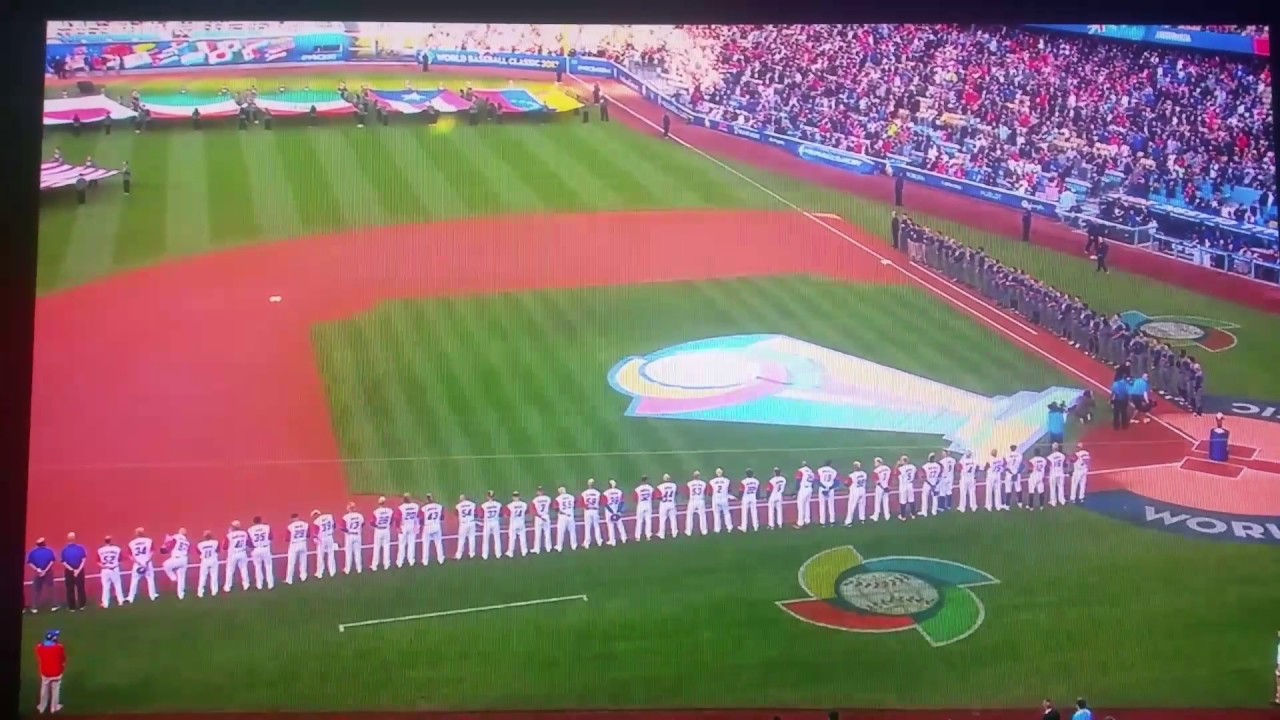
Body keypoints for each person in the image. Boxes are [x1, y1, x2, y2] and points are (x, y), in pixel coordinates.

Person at [35, 630, 66, 715]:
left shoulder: (39, 647)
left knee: (44, 690)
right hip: (57, 673)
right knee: (55, 690)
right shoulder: (59, 647)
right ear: (54, 638)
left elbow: (40, 653)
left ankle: (42, 707)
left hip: (45, 672)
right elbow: (63, 659)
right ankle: (54, 708)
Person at [126, 528, 158, 603]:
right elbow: (152, 552)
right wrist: (146, 561)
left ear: (136, 534)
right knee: (150, 580)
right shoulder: (149, 541)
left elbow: (130, 556)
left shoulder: (131, 543)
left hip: (137, 564)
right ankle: (152, 596)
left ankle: (131, 598)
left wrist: (138, 562)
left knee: (134, 580)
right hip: (147, 563)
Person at [27, 538, 58, 613]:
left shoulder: (33, 552)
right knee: (51, 589)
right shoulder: (49, 551)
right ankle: (53, 606)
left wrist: (38, 569)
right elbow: (52, 561)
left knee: (36, 590)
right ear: (44, 543)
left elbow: (30, 563)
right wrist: (45, 570)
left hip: (37, 573)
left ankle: (34, 607)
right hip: (48, 572)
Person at [160, 528, 191, 600]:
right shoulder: (187, 541)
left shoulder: (176, 536)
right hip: (184, 559)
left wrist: (165, 544)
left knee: (165, 565)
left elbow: (168, 545)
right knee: (181, 578)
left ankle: (173, 578)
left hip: (176, 558)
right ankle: (181, 595)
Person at [60, 533, 87, 612]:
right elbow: (83, 560)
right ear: (75, 539)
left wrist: (72, 570)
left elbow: (64, 562)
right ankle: (82, 605)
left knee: (70, 589)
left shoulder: (65, 550)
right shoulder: (80, 549)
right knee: (81, 588)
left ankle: (72, 607)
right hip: (80, 571)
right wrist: (78, 570)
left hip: (69, 572)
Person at [97, 536, 125, 608]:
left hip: (105, 570)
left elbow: (98, 562)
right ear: (111, 541)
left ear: (105, 541)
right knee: (117, 585)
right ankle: (120, 601)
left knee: (106, 586)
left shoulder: (100, 550)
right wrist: (114, 565)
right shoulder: (117, 549)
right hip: (114, 569)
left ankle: (105, 603)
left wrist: (104, 566)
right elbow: (120, 560)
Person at [247, 517, 274, 590]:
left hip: (256, 549)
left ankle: (259, 585)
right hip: (265, 548)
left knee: (257, 567)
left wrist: (251, 549)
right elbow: (271, 537)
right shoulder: (267, 527)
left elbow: (249, 542)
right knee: (268, 566)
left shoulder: (250, 529)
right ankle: (270, 584)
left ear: (254, 521)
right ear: (261, 521)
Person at [283, 514, 309, 584]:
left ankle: (289, 579)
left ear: (292, 519)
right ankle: (303, 577)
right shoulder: (305, 524)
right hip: (303, 543)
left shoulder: (290, 527)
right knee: (303, 561)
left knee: (291, 563)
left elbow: (287, 539)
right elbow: (308, 535)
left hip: (294, 545)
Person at [311, 509, 337, 578]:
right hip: (330, 537)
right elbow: (334, 526)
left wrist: (315, 539)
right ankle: (332, 572)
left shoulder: (316, 521)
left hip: (321, 539)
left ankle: (320, 573)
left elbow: (315, 533)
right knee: (331, 554)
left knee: (320, 556)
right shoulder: (329, 516)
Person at [395, 494, 420, 568]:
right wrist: (417, 527)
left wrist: (397, 527)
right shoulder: (415, 506)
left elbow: (397, 518)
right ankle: (411, 561)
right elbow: (418, 517)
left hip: (404, 527)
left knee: (402, 545)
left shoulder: (401, 508)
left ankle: (400, 562)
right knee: (411, 544)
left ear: (404, 499)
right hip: (411, 526)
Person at [370, 497, 395, 570]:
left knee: (377, 547)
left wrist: (377, 526)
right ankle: (386, 564)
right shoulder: (390, 511)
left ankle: (374, 565)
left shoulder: (376, 511)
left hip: (378, 530)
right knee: (387, 547)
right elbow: (391, 521)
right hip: (386, 530)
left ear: (379, 503)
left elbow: (372, 522)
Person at [420, 494, 446, 564]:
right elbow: (442, 517)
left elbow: (421, 519)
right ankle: (441, 560)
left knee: (425, 544)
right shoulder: (439, 506)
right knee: (438, 543)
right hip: (436, 526)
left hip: (427, 527)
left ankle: (425, 561)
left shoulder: (424, 508)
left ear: (427, 499)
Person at [341, 504, 365, 574]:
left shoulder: (345, 517)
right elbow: (362, 524)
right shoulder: (360, 516)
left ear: (348, 509)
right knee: (358, 552)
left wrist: (348, 531)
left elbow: (342, 528)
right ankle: (359, 569)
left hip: (349, 536)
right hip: (357, 535)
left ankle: (347, 570)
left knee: (348, 553)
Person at [194, 531, 220, 598]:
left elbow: (198, 552)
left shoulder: (200, 544)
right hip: (213, 560)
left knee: (202, 577)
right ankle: (214, 591)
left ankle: (200, 593)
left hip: (204, 561)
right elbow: (218, 550)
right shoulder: (215, 542)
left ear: (204, 537)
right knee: (214, 576)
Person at [602, 480, 627, 546]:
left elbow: (605, 504)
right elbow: (622, 502)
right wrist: (618, 511)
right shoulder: (619, 492)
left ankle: (613, 541)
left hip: (609, 511)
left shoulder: (606, 493)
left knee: (610, 526)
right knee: (620, 525)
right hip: (617, 509)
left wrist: (612, 512)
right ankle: (624, 538)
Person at [579, 480, 603, 549]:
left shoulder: (584, 493)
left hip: (588, 511)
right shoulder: (597, 493)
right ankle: (599, 541)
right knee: (596, 526)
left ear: (588, 485)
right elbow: (601, 502)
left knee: (587, 527)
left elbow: (581, 504)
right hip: (595, 510)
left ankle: (587, 543)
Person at [480, 491, 504, 559]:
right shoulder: (498, 504)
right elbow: (501, 514)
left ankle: (485, 555)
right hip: (495, 523)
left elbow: (481, 515)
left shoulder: (484, 505)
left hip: (487, 523)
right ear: (494, 496)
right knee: (497, 539)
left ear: (487, 497)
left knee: (485, 540)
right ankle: (498, 554)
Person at [553, 486, 578, 551]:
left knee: (560, 532)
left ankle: (559, 547)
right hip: (571, 516)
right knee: (572, 531)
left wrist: (563, 512)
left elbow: (556, 508)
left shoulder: (558, 498)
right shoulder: (571, 497)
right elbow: (575, 504)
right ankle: (574, 545)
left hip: (562, 517)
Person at [684, 471, 709, 536]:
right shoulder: (703, 483)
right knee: (702, 516)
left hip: (692, 500)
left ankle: (688, 531)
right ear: (699, 476)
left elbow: (687, 493)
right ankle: (704, 531)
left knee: (689, 515)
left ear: (693, 476)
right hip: (700, 500)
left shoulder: (689, 483)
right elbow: (706, 492)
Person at [454, 494, 478, 560]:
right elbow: (476, 514)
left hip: (463, 524)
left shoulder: (458, 506)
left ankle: (459, 555)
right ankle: (472, 554)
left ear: (461, 499)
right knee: (472, 538)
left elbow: (456, 514)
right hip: (471, 522)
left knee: (461, 539)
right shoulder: (472, 504)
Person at [506, 491, 530, 557]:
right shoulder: (524, 504)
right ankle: (524, 551)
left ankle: (510, 552)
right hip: (521, 523)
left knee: (512, 538)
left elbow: (507, 514)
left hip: (513, 524)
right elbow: (527, 512)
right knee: (523, 538)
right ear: (519, 496)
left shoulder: (510, 505)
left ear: (513, 497)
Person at [656, 474, 679, 538]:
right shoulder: (674, 485)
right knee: (673, 519)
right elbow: (676, 493)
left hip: (664, 504)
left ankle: (662, 534)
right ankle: (674, 533)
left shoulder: (660, 486)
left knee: (662, 519)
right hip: (672, 503)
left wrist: (663, 498)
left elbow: (658, 497)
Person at [816, 461, 838, 526]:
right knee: (831, 505)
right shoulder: (834, 471)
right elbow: (836, 482)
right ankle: (832, 521)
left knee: (822, 505)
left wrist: (824, 487)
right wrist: (829, 488)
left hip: (822, 489)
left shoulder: (820, 470)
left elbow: (817, 480)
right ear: (830, 464)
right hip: (831, 489)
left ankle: (822, 522)